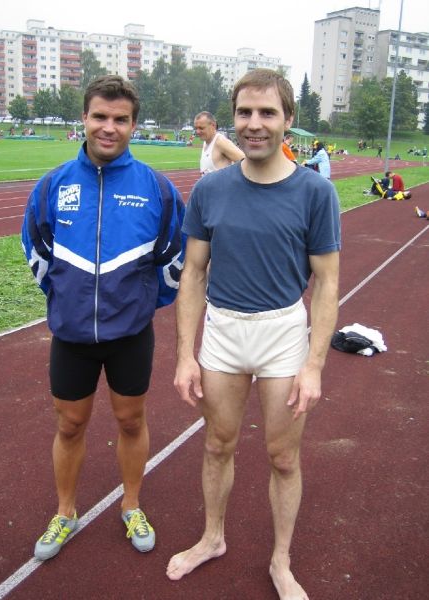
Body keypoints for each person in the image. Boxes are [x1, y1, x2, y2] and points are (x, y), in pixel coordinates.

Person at [167, 68, 340, 599]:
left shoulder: (315, 192)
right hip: (224, 331)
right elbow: (193, 274)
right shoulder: (211, 189)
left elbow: (327, 283)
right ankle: (212, 538)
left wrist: (314, 366)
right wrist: (185, 355)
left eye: (268, 112)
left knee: (283, 457)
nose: (255, 123)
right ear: (233, 118)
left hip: (282, 333)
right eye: (245, 112)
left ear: (288, 119)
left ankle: (281, 561)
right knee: (217, 445)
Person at [22, 75, 185, 561]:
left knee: (131, 420)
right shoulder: (52, 186)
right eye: (100, 116)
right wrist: (66, 300)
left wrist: (143, 304)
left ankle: (131, 505)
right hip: (71, 335)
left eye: (120, 119)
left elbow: (174, 257)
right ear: (84, 118)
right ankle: (65, 512)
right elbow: (36, 250)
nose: (108, 127)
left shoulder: (158, 189)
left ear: (134, 125)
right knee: (70, 425)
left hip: (130, 335)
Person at [194, 111, 245, 175]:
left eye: (201, 128)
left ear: (213, 125)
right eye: (196, 128)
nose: (197, 132)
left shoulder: (221, 142)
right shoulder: (206, 141)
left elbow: (247, 163)